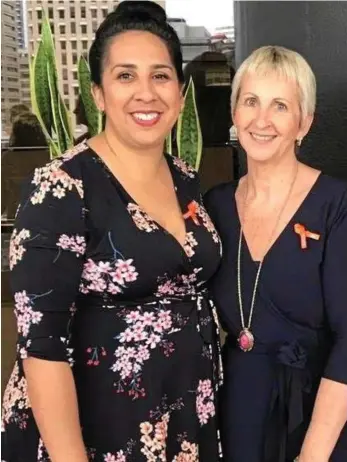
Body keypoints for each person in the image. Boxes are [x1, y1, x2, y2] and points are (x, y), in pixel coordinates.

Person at [1, 2, 223, 461]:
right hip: (96, 433)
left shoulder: (186, 179)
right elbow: (40, 348)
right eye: (125, 76)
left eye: (160, 76)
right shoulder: (62, 188)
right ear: (98, 93)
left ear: (180, 93)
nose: (146, 93)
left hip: (183, 417)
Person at [204, 45, 347, 462]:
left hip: (318, 415)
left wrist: (314, 454)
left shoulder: (335, 205)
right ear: (235, 113)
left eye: (280, 106)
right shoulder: (215, 206)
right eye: (251, 101)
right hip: (236, 411)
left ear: (304, 123)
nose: (261, 120)